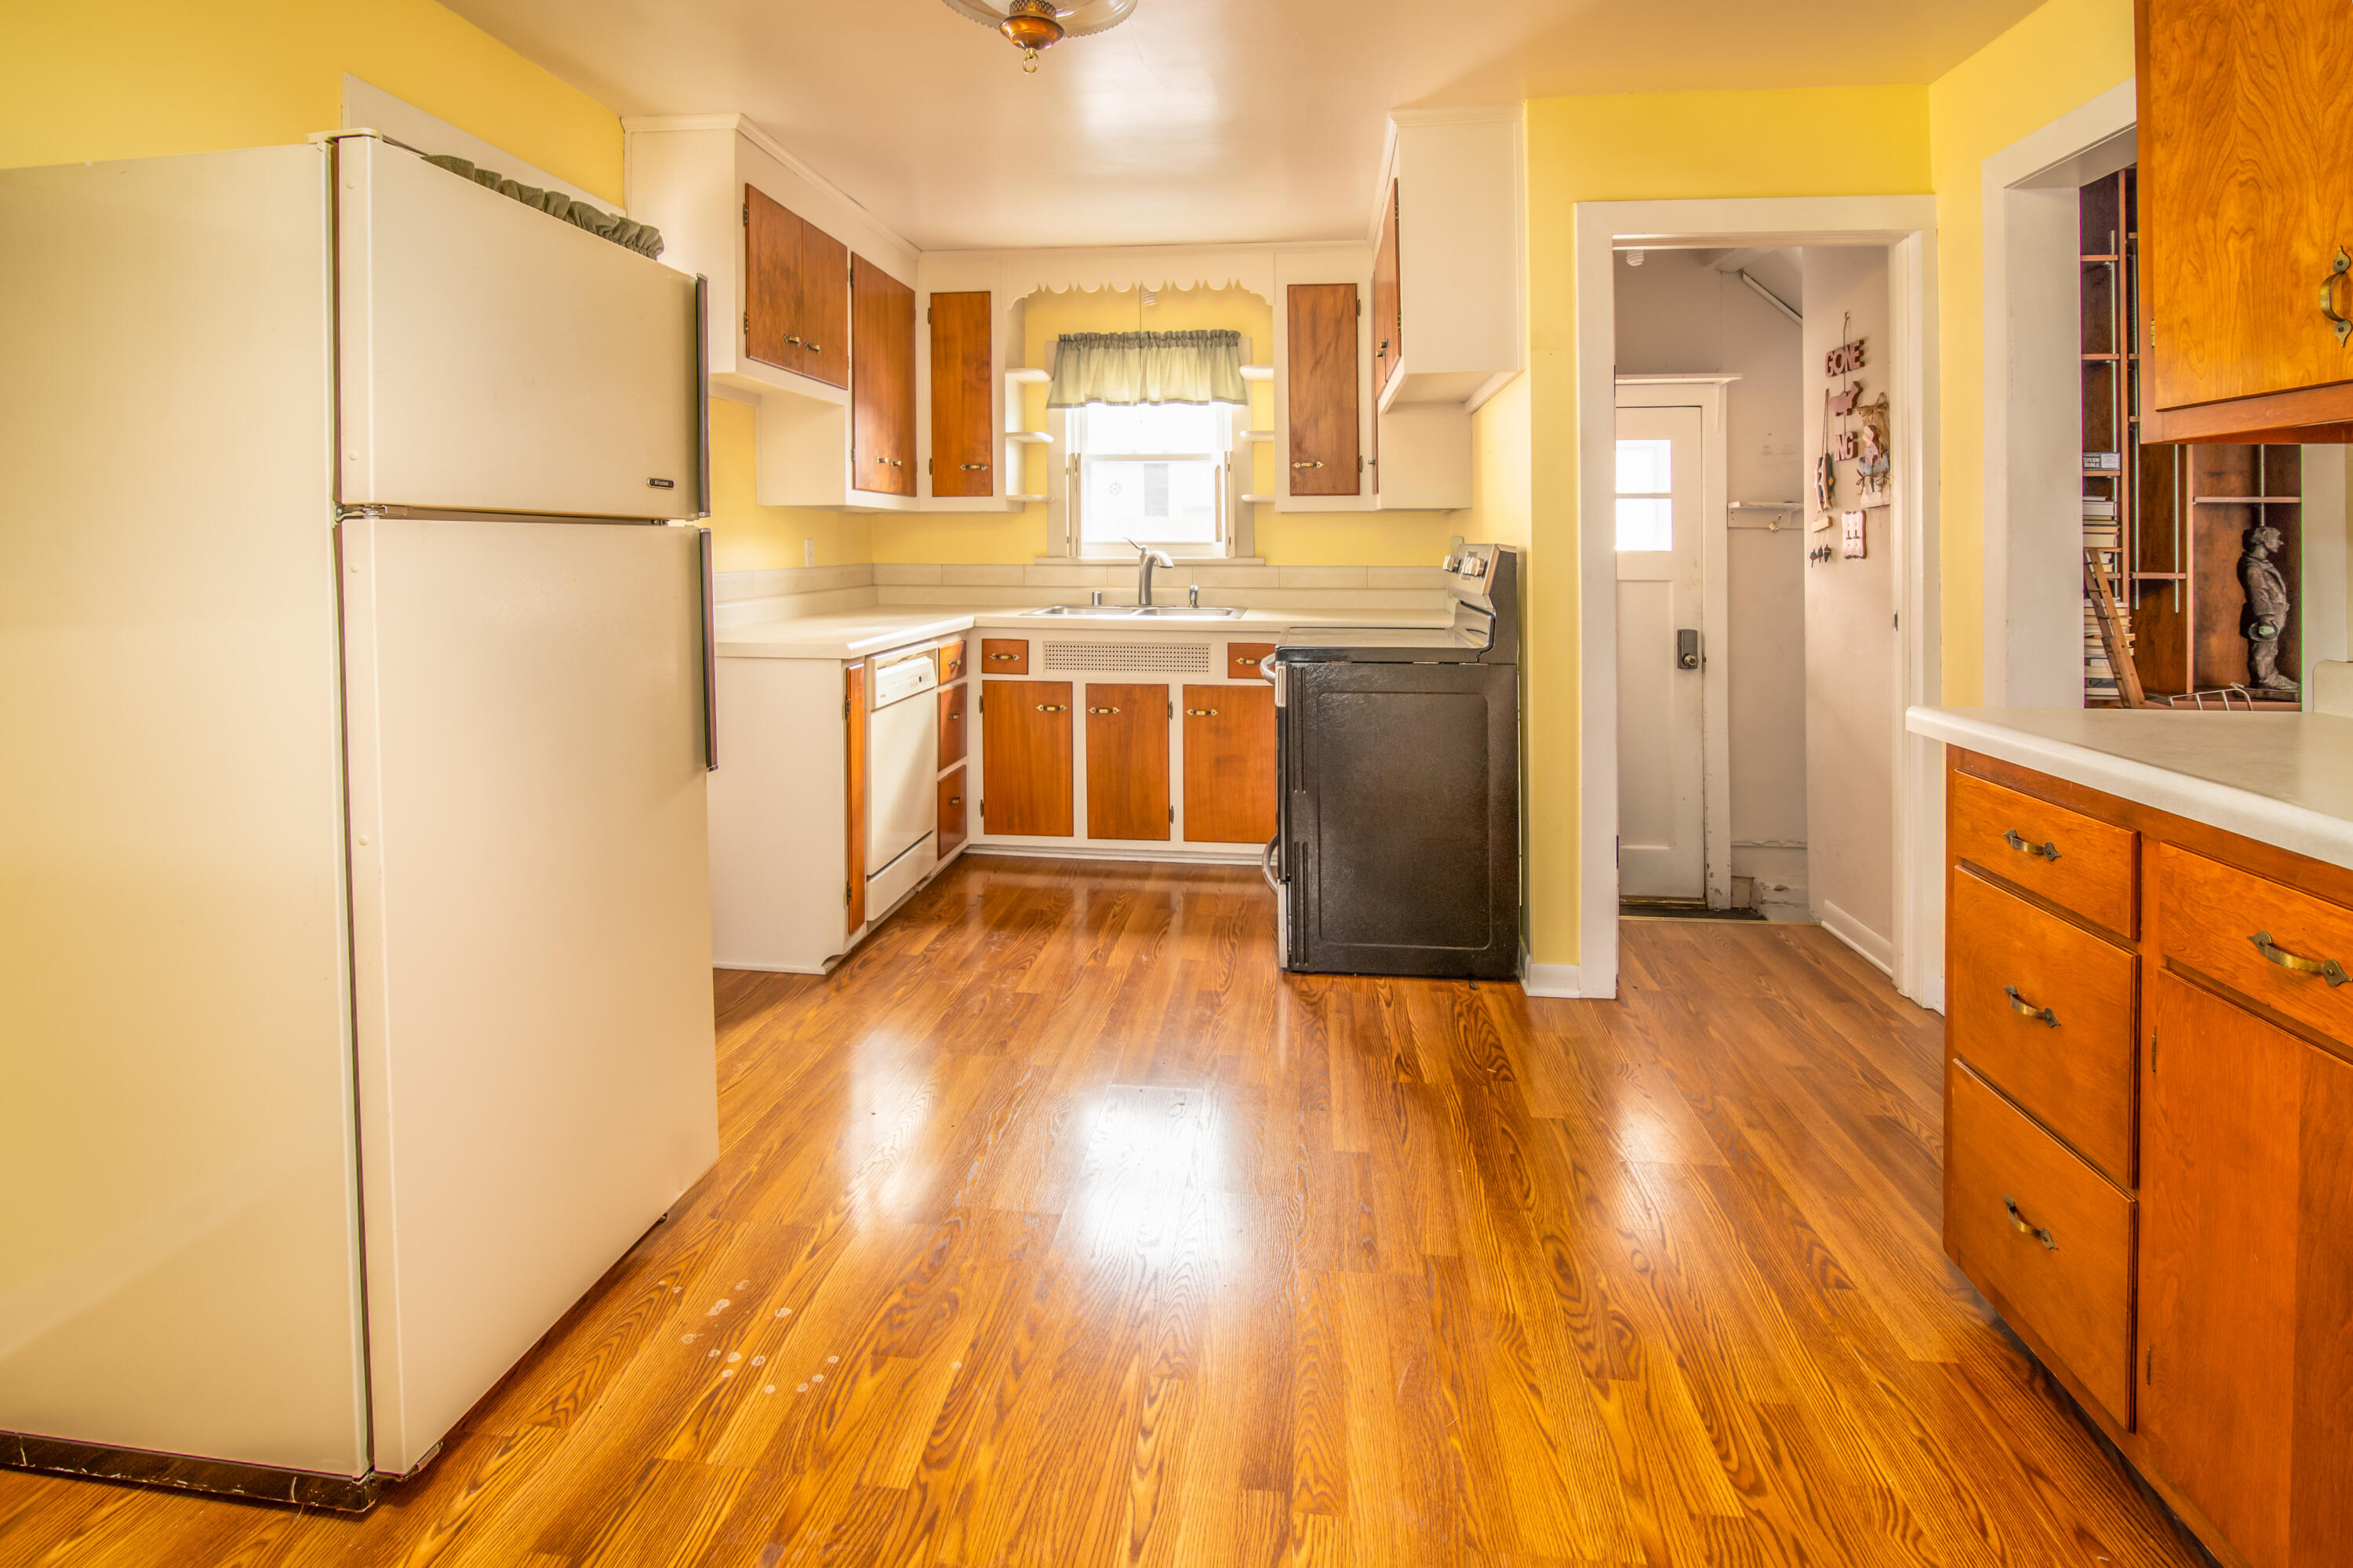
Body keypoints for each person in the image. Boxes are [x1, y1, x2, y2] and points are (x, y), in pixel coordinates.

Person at [2238, 522, 2297, 691]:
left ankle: (2269, 676)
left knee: (2269, 649)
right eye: (2277, 538)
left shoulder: (2259, 564)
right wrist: (2265, 618)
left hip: (2271, 617)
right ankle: (2265, 679)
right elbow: (2258, 593)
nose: (2281, 542)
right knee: (2264, 650)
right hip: (2265, 618)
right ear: (2263, 539)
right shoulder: (2253, 567)